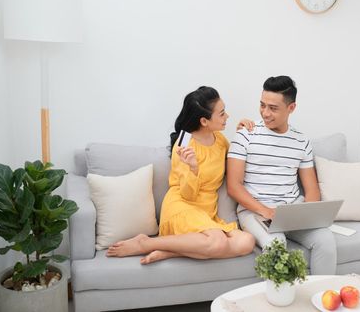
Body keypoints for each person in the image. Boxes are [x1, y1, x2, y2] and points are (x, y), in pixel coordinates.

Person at [107, 86, 255, 264]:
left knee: (247, 242)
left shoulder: (220, 140)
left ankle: (169, 251)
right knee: (218, 241)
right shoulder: (184, 143)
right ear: (204, 121)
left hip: (206, 214)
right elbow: (188, 195)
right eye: (222, 113)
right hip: (182, 206)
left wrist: (242, 135)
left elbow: (235, 161)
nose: (228, 117)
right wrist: (193, 168)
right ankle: (145, 243)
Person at [226, 76, 337, 274]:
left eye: (273, 108)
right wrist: (265, 211)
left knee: (326, 240)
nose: (265, 113)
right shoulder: (246, 135)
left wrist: (306, 214)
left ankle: (319, 298)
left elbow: (311, 190)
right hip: (255, 212)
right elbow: (234, 186)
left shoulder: (301, 141)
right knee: (276, 243)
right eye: (262, 105)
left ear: (291, 108)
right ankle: (280, 303)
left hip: (291, 210)